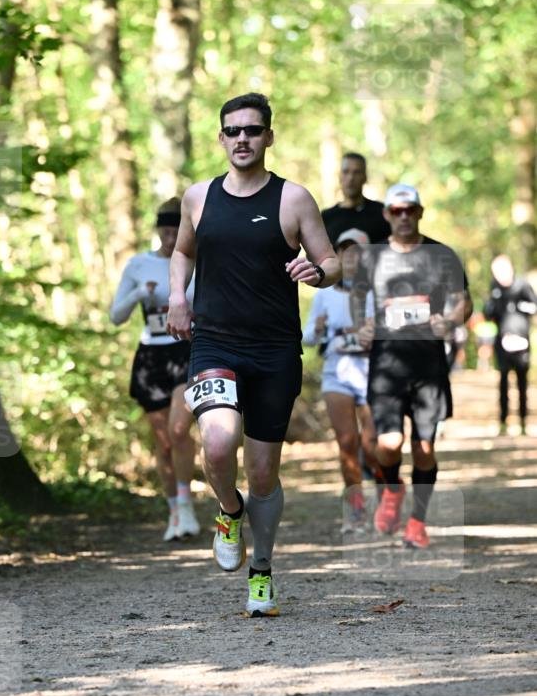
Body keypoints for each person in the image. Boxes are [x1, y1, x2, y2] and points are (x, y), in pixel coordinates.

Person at [167, 92, 340, 617]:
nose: (242, 138)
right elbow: (182, 251)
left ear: (268, 136)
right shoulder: (198, 198)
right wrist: (178, 296)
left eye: (252, 130)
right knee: (218, 445)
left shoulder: (293, 199)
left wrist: (317, 272)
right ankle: (227, 510)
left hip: (275, 350)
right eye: (233, 130)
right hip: (214, 341)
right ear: (221, 138)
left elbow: (331, 261)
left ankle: (261, 572)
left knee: (263, 472)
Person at [353, 183, 470, 549]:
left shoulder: (441, 254)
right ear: (387, 214)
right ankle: (392, 488)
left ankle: (417, 522)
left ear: (420, 212)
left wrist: (449, 321)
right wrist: (362, 326)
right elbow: (357, 295)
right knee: (387, 444)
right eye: (396, 211)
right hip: (386, 363)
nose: (403, 216)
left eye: (410, 210)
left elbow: (464, 301)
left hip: (428, 366)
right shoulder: (371, 257)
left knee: (424, 449)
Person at [110, 200, 200, 542]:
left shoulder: (197, 260)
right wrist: (137, 293)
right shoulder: (138, 265)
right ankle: (175, 511)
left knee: (179, 430)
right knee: (163, 443)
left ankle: (188, 504)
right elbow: (116, 316)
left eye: (176, 228)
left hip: (186, 350)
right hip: (150, 357)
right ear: (156, 229)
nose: (169, 235)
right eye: (164, 228)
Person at [303, 228, 380, 534]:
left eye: (357, 252)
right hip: (337, 373)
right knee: (347, 445)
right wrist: (319, 329)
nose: (351, 258)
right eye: (345, 251)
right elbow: (307, 337)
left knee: (373, 446)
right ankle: (357, 512)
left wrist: (377, 334)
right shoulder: (324, 293)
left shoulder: (376, 293)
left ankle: (388, 495)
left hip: (371, 374)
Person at [484, 254, 537, 436]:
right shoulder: (495, 288)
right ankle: (503, 421)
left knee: (522, 383)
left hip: (522, 341)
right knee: (503, 382)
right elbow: (489, 313)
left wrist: (520, 307)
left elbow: (534, 306)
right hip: (502, 342)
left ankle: (523, 421)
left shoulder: (522, 285)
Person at [321, 152, 390, 246]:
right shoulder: (327, 217)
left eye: (357, 172)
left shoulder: (381, 213)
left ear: (365, 177)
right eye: (346, 172)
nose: (351, 178)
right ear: (339, 176)